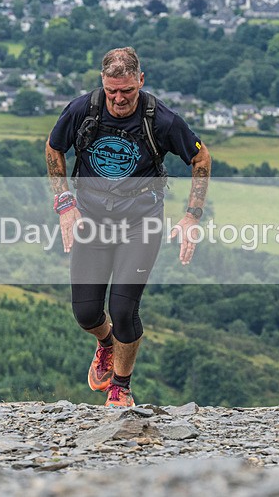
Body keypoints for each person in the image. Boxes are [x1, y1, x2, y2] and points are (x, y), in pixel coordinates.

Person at [45, 46, 211, 408]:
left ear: (140, 80)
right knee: (86, 313)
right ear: (102, 84)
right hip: (92, 220)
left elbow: (200, 157)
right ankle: (106, 344)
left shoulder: (161, 120)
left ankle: (121, 386)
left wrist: (191, 215)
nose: (119, 99)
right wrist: (64, 204)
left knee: (123, 310)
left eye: (127, 91)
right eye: (111, 91)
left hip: (141, 223)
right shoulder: (81, 111)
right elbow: (54, 148)